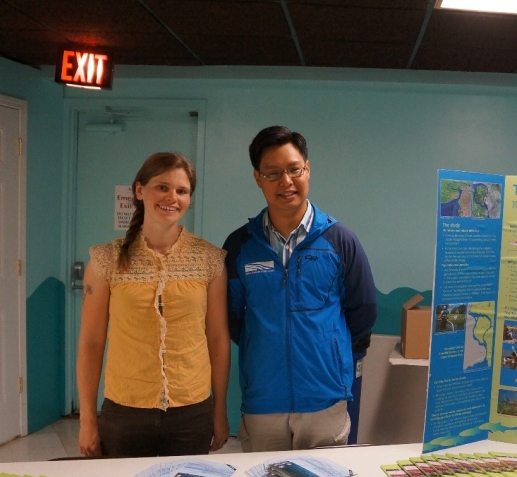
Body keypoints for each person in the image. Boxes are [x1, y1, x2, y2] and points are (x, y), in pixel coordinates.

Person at [224, 126, 377, 452]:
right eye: (273, 173)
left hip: (325, 399)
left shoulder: (340, 240)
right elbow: (232, 317)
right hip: (263, 400)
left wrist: (328, 353)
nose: (286, 181)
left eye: (294, 169)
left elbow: (362, 312)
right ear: (257, 177)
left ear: (307, 169)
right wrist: (264, 346)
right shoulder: (240, 245)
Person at [78, 152, 230, 459]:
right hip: (125, 412)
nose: (171, 197)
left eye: (181, 191)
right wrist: (87, 419)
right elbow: (92, 343)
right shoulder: (105, 259)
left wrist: (220, 410)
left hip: (192, 411)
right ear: (139, 191)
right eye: (162, 187)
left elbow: (217, 339)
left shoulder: (210, 259)